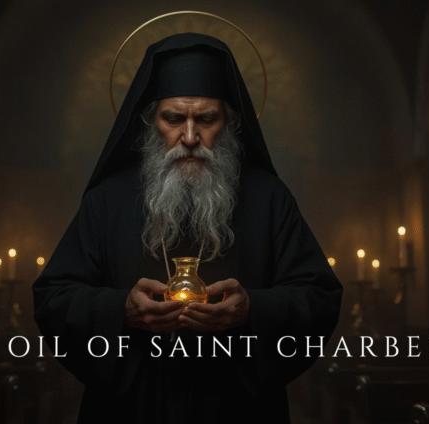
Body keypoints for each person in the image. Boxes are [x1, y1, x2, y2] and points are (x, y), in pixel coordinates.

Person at [33, 32, 342, 424]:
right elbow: (54, 297)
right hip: (131, 407)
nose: (191, 137)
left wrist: (252, 311)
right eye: (174, 118)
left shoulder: (268, 197)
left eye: (207, 119)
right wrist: (121, 311)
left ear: (228, 121)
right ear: (151, 121)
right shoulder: (108, 198)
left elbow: (318, 297)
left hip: (238, 407)